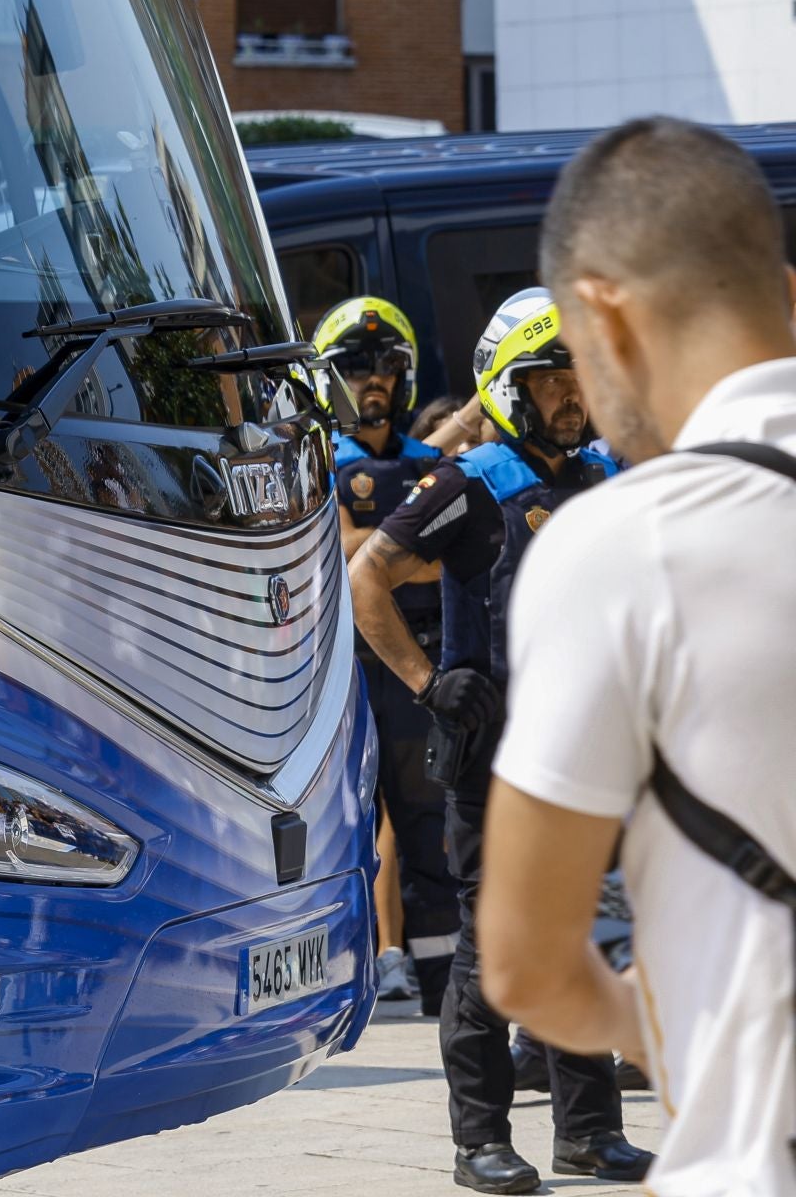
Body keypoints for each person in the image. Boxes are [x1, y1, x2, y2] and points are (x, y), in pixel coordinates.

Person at [479, 117, 796, 1196]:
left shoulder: (626, 542)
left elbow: (525, 957)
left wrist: (668, 1038)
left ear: (604, 317)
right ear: (785, 293)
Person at [348, 288, 652, 1194]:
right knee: (490, 947)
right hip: (497, 761)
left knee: (583, 939)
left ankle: (589, 1134)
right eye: (551, 377)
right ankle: (480, 1139)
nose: (571, 393)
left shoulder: (597, 475)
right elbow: (369, 578)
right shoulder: (473, 484)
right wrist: (427, 681)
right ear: (508, 385)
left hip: (587, 757)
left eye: (579, 376)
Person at [313, 297, 459, 1014]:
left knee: (429, 827)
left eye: (386, 367)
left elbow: (444, 554)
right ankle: (348, 977)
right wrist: (403, 550)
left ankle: (449, 988)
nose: (374, 380)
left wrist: (375, 549)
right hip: (338, 675)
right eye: (357, 367)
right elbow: (330, 553)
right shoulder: (312, 459)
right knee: (342, 826)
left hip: (414, 668)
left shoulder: (432, 463)